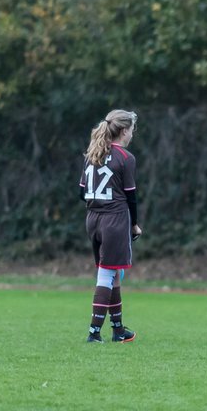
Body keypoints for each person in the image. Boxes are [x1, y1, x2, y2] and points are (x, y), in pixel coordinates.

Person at [79, 109, 141, 343]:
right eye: (132, 129)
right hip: (114, 221)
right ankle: (94, 333)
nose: (132, 134)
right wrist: (134, 225)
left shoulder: (92, 154)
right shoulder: (126, 158)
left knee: (113, 274)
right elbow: (131, 197)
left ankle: (117, 330)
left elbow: (81, 192)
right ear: (124, 131)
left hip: (93, 220)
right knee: (106, 275)